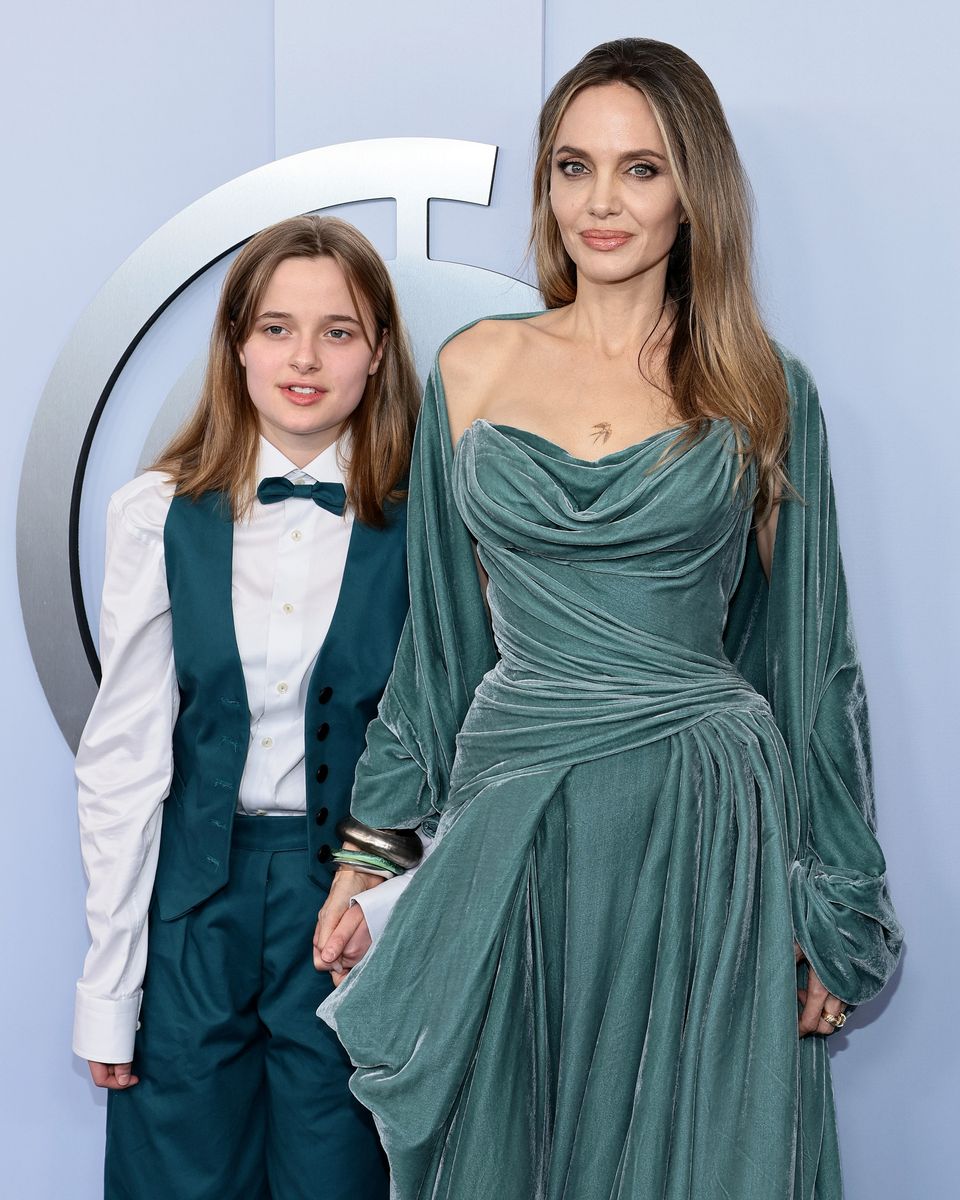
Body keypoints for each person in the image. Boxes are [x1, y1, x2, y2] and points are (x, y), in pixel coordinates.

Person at [313, 38, 904, 1200]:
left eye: (641, 169)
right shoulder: (473, 369)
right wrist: (370, 852)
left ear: (694, 193)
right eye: (574, 167)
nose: (602, 201)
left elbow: (813, 662)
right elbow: (437, 649)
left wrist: (830, 906)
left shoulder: (764, 388)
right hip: (516, 818)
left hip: (701, 821)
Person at [72, 214, 418, 1199]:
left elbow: (436, 740)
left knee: (339, 1178)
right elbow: (124, 756)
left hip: (347, 914)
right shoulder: (154, 512)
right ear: (235, 344)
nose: (303, 358)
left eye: (338, 331)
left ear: (378, 350)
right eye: (275, 327)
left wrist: (382, 900)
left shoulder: (428, 520)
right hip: (191, 910)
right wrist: (109, 988)